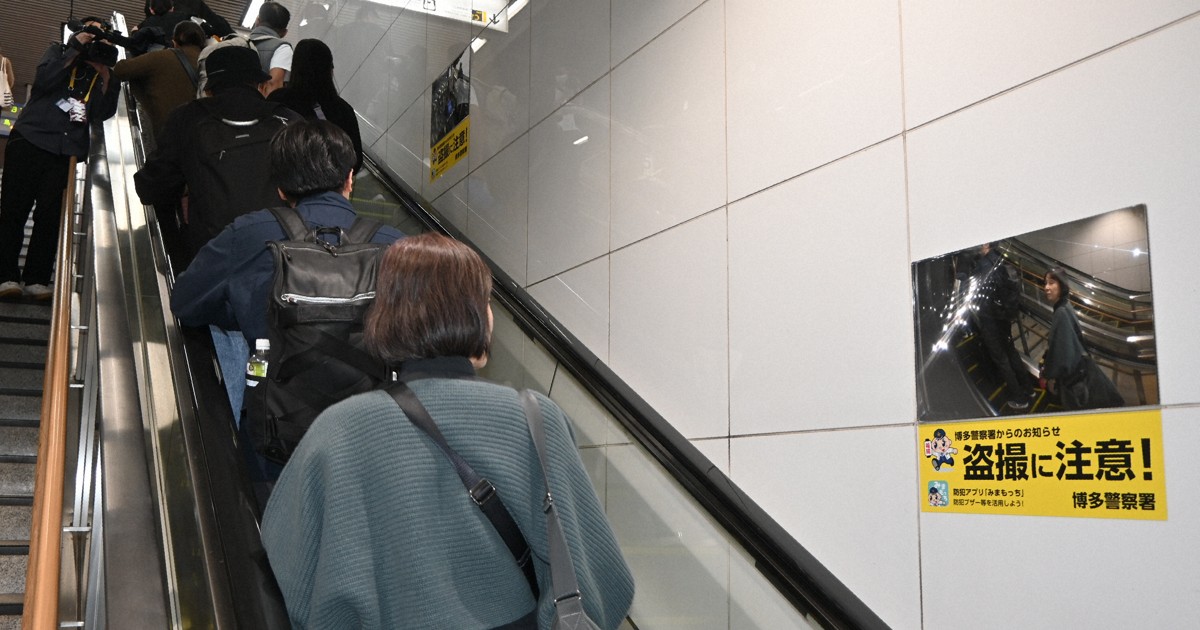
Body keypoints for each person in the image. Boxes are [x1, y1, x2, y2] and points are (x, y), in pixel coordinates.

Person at [260, 232, 635, 629]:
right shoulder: (534, 419)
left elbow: (288, 583)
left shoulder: (339, 431)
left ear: (384, 315)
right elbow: (603, 584)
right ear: (476, 315)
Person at [170, 119, 403, 485]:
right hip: (372, 436)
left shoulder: (248, 234)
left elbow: (185, 302)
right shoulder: (397, 245)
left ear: (280, 188)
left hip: (277, 439)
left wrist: (240, 310)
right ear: (350, 179)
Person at [0, 19, 120, 300]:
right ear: (78, 34)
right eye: (90, 32)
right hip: (29, 139)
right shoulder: (57, 51)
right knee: (13, 211)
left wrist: (105, 76)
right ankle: (5, 276)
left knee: (50, 217)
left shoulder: (97, 72)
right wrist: (74, 51)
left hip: (65, 152)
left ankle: (37, 279)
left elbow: (101, 113)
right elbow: (43, 81)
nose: (94, 40)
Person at [268, 38, 362, 172]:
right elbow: (355, 159)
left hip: (285, 180)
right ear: (329, 69)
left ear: (295, 67)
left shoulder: (278, 100)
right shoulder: (342, 110)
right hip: (328, 183)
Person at [1040, 267, 1124, 410]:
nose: (1046, 287)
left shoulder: (1061, 312)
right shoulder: (1066, 305)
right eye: (1045, 283)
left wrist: (1048, 376)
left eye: (1052, 282)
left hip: (1073, 382)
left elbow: (1061, 352)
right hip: (1080, 371)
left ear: (1062, 285)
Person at [113, 20, 205, 140]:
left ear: (174, 41)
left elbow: (121, 70)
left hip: (168, 133)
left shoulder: (163, 56)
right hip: (201, 135)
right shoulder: (211, 62)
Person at [973, 242, 1035, 411]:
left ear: (986, 244)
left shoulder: (983, 265)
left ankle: (1020, 398)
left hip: (990, 320)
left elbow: (979, 295)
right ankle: (1029, 389)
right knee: (1011, 351)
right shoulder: (1000, 260)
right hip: (1004, 317)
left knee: (1001, 359)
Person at [248, 1, 292, 94]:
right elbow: (273, 85)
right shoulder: (282, 48)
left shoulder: (234, 42)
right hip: (257, 106)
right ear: (284, 32)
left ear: (257, 21)